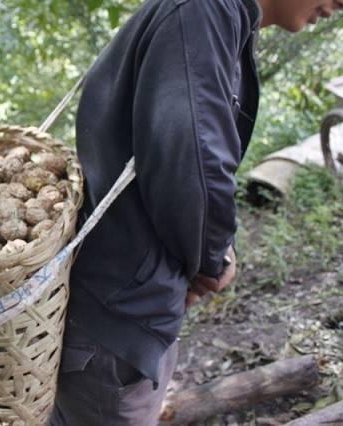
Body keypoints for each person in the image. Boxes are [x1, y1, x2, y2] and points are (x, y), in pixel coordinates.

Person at [49, 0, 343, 425]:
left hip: (130, 303)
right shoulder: (204, 13)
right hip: (117, 316)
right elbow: (192, 160)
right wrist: (214, 255)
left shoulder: (218, 18)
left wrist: (210, 250)